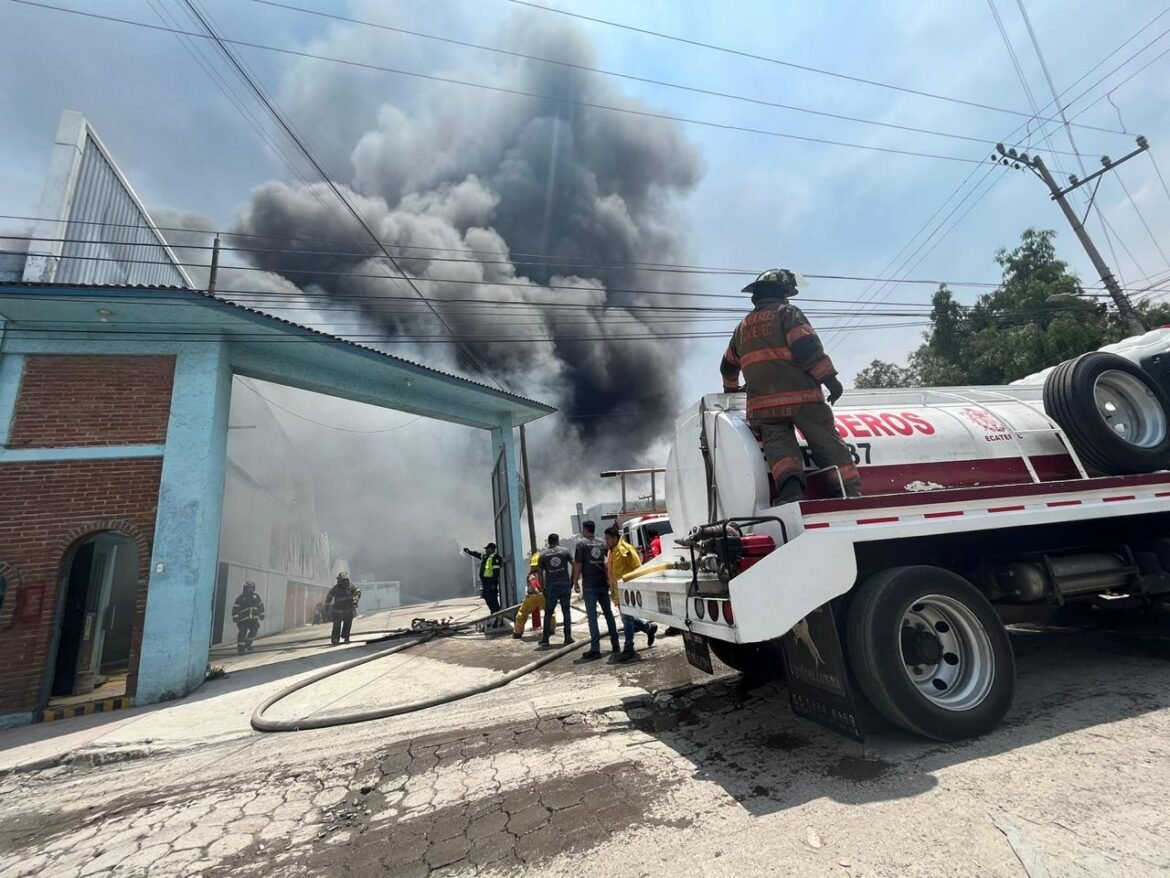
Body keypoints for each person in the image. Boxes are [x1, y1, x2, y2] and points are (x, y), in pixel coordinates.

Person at [720, 268, 862, 503]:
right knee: (826, 441)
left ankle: (791, 493)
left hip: (764, 408)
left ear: (757, 295)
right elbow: (806, 347)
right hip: (803, 399)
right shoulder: (787, 314)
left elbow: (727, 367)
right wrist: (831, 380)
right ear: (782, 293)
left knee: (780, 451)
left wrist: (731, 394)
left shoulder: (742, 329)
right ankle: (847, 491)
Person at [606, 527, 657, 663]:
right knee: (627, 618)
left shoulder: (625, 549)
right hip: (617, 592)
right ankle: (648, 627)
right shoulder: (612, 551)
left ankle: (629, 648)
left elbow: (637, 567)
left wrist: (635, 587)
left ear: (615, 538)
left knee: (627, 619)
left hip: (627, 591)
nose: (607, 542)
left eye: (608, 539)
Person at [573, 521, 619, 660]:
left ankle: (595, 649)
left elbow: (578, 564)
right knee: (608, 614)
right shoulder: (602, 543)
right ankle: (615, 644)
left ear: (584, 529)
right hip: (603, 584)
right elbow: (609, 559)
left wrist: (575, 581)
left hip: (590, 585)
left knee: (592, 617)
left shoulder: (581, 544)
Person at [538, 533, 574, 647]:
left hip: (551, 587)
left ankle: (545, 639)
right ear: (557, 541)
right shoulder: (565, 551)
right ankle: (567, 637)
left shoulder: (543, 554)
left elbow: (540, 573)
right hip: (564, 585)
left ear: (549, 542)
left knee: (548, 613)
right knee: (566, 611)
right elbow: (574, 565)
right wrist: (572, 580)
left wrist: (542, 586)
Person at [514, 552, 555, 638]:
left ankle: (518, 632)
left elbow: (532, 582)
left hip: (531, 597)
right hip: (544, 596)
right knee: (550, 612)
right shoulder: (546, 572)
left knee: (522, 613)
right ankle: (551, 629)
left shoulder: (530, 575)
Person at [463, 542, 503, 616]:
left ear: (491, 549)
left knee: (493, 600)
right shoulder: (486, 557)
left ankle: (498, 616)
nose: (486, 550)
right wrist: (469, 552)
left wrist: (494, 584)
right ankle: (493, 614)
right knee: (487, 598)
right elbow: (477, 555)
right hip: (486, 583)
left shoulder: (496, 558)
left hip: (491, 583)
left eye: (487, 549)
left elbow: (496, 573)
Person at [231, 581, 265, 655]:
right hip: (242, 620)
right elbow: (235, 608)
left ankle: (248, 644)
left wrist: (261, 614)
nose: (250, 589)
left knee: (254, 630)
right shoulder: (241, 598)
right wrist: (235, 617)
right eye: (248, 588)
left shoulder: (256, 596)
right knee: (242, 634)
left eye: (251, 587)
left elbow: (260, 605)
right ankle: (241, 650)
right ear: (245, 588)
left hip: (253, 619)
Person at [325, 572, 357, 645]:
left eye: (345, 580)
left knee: (348, 624)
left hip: (348, 610)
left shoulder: (352, 586)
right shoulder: (336, 588)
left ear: (347, 580)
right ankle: (335, 639)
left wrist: (355, 601)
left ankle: (346, 638)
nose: (344, 582)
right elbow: (329, 596)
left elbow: (357, 593)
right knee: (337, 625)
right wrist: (326, 606)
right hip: (338, 611)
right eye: (342, 581)